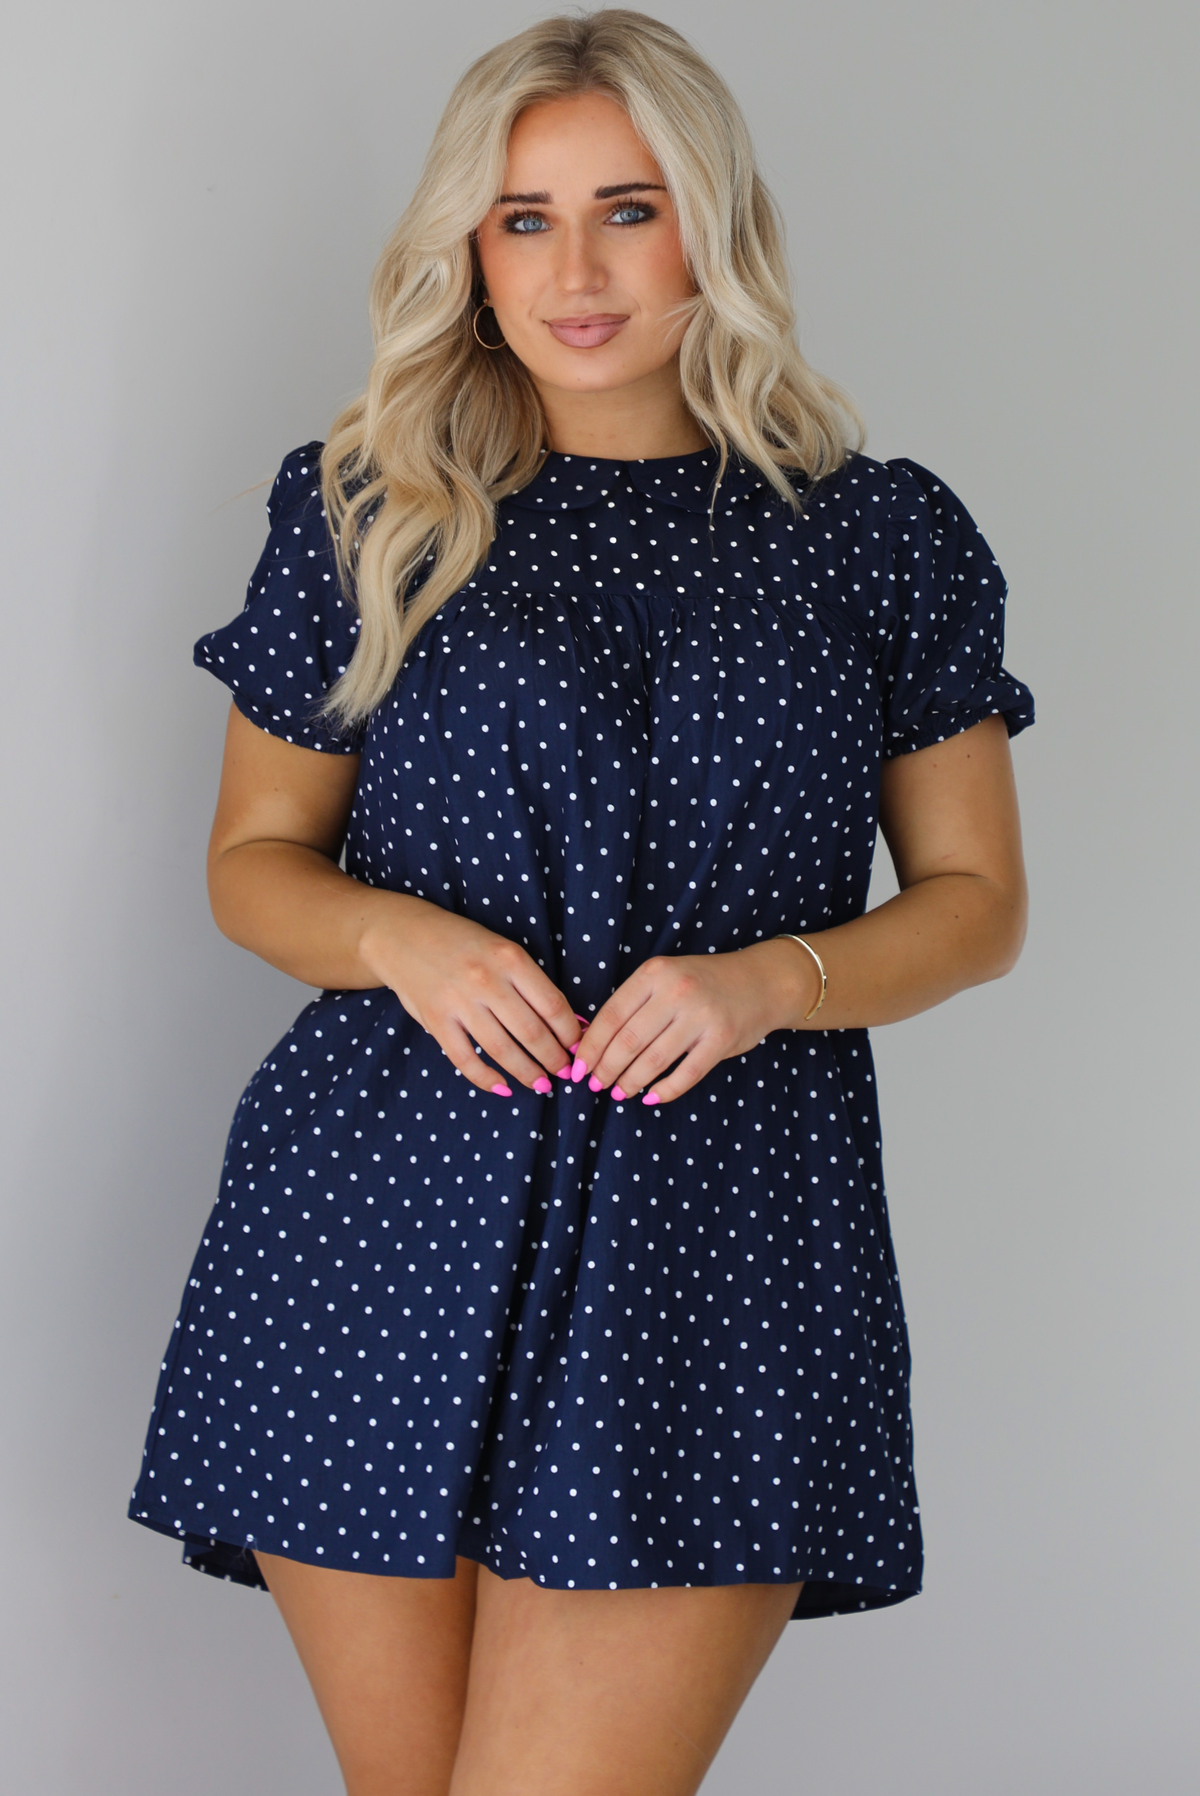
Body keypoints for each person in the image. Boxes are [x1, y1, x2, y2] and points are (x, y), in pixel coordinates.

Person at [128, 10, 1033, 1793]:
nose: (577, 270)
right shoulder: (369, 507)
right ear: (467, 250)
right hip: (374, 1224)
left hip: (724, 1239)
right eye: (523, 219)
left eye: (630, 208)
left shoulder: (880, 535)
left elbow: (978, 899)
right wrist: (400, 937)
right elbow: (252, 861)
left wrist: (767, 981)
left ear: (716, 221)